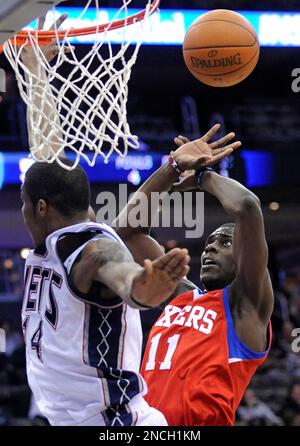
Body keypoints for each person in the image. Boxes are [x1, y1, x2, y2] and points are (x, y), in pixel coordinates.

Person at [17, 15, 191, 426]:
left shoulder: (90, 248)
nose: (21, 211)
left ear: (41, 208)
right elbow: (46, 146)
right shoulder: (65, 233)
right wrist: (35, 67)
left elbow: (115, 268)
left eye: (24, 203)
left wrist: (142, 287)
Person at [116, 128, 274, 426]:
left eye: (225, 242)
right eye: (208, 243)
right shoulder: (179, 295)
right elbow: (126, 234)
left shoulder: (245, 307)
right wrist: (172, 169)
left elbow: (247, 207)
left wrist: (203, 176)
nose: (211, 246)